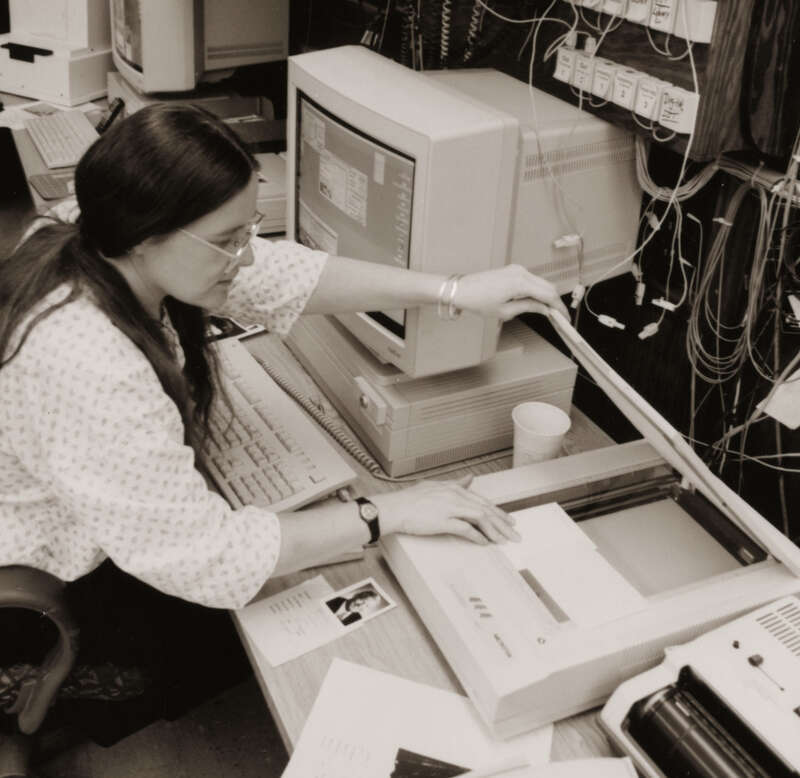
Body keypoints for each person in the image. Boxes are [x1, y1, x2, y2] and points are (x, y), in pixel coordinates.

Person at [0, 104, 567, 745]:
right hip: (41, 586)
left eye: (250, 229)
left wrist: (455, 291)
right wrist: (384, 515)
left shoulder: (91, 228)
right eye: (228, 239)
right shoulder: (86, 356)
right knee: (245, 645)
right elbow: (204, 556)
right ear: (145, 231)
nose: (245, 256)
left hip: (82, 525)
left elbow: (280, 274)